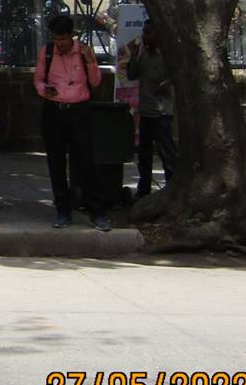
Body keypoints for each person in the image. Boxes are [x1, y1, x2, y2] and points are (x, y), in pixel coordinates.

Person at [34, 14, 110, 231]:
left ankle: (97, 210)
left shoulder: (84, 51)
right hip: (54, 110)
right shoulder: (47, 53)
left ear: (71, 36)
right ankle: (62, 210)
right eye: (57, 40)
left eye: (63, 40)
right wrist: (44, 90)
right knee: (56, 162)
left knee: (86, 161)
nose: (60, 44)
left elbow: (95, 81)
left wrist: (89, 59)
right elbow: (38, 79)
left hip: (79, 111)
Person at [126, 18, 176, 199]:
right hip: (146, 110)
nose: (144, 36)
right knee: (144, 154)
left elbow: (175, 77)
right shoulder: (143, 53)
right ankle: (143, 189)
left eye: (148, 32)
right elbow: (132, 75)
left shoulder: (167, 56)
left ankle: (171, 189)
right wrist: (133, 54)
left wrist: (165, 85)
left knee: (166, 153)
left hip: (162, 112)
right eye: (144, 32)